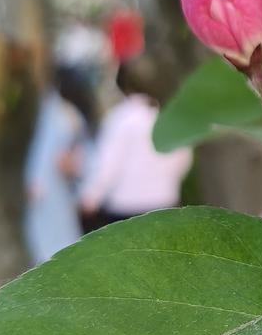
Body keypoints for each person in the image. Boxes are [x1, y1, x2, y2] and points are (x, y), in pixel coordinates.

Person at [78, 57, 192, 230]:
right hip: (165, 202)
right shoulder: (170, 116)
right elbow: (183, 158)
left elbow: (109, 163)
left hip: (126, 207)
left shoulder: (122, 118)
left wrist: (91, 197)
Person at [24, 65, 96, 264]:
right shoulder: (58, 111)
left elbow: (77, 154)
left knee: (56, 236)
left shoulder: (64, 114)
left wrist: (73, 163)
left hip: (55, 185)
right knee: (51, 235)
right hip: (50, 185)